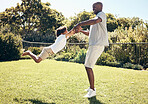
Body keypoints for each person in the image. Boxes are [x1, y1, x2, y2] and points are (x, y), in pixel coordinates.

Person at [74, 2, 109, 98]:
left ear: (101, 7)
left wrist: (79, 24)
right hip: (93, 45)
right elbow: (89, 33)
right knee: (87, 65)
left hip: (98, 45)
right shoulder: (95, 20)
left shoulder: (101, 15)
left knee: (89, 66)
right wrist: (80, 30)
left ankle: (92, 90)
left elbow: (94, 21)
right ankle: (91, 88)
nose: (93, 8)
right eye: (92, 6)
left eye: (95, 6)